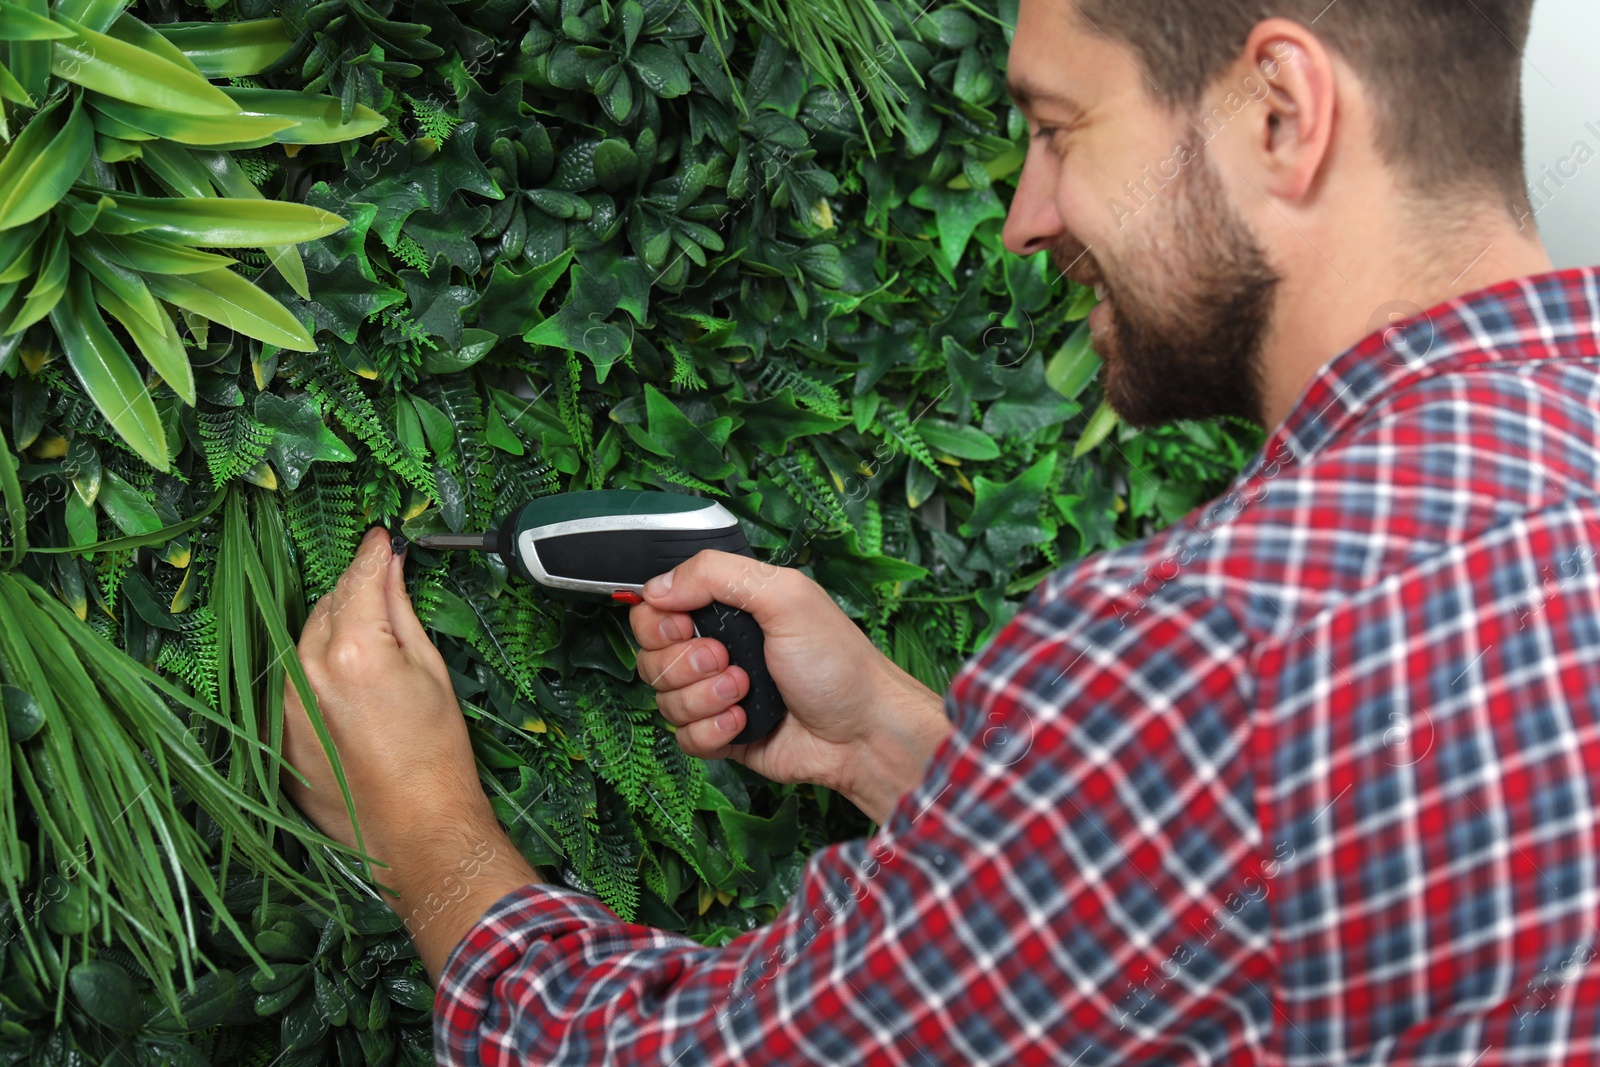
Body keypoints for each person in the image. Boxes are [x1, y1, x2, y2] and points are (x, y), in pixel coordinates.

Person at [283, 0, 1600, 1062]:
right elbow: (1255, 894)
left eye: (1059, 129)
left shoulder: (1210, 653)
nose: (1028, 216)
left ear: (1281, 111)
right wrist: (891, 748)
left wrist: (424, 828)